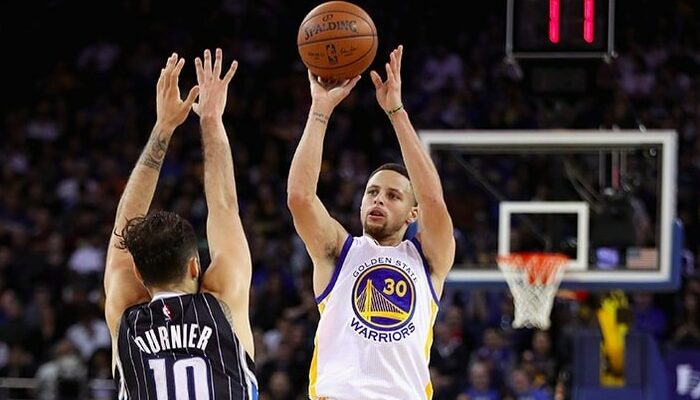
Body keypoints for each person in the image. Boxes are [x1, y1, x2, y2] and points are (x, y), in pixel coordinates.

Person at [287, 45, 456, 399]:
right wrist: (319, 110)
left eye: (393, 196)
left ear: (413, 213)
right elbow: (300, 198)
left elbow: (434, 202)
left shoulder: (427, 260)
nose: (379, 199)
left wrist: (396, 112)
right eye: (372, 192)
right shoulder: (339, 251)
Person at [103, 49, 258, 398]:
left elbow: (122, 229)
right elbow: (224, 208)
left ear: (139, 276)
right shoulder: (223, 301)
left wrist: (163, 127)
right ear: (195, 265)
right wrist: (212, 121)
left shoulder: (126, 313)